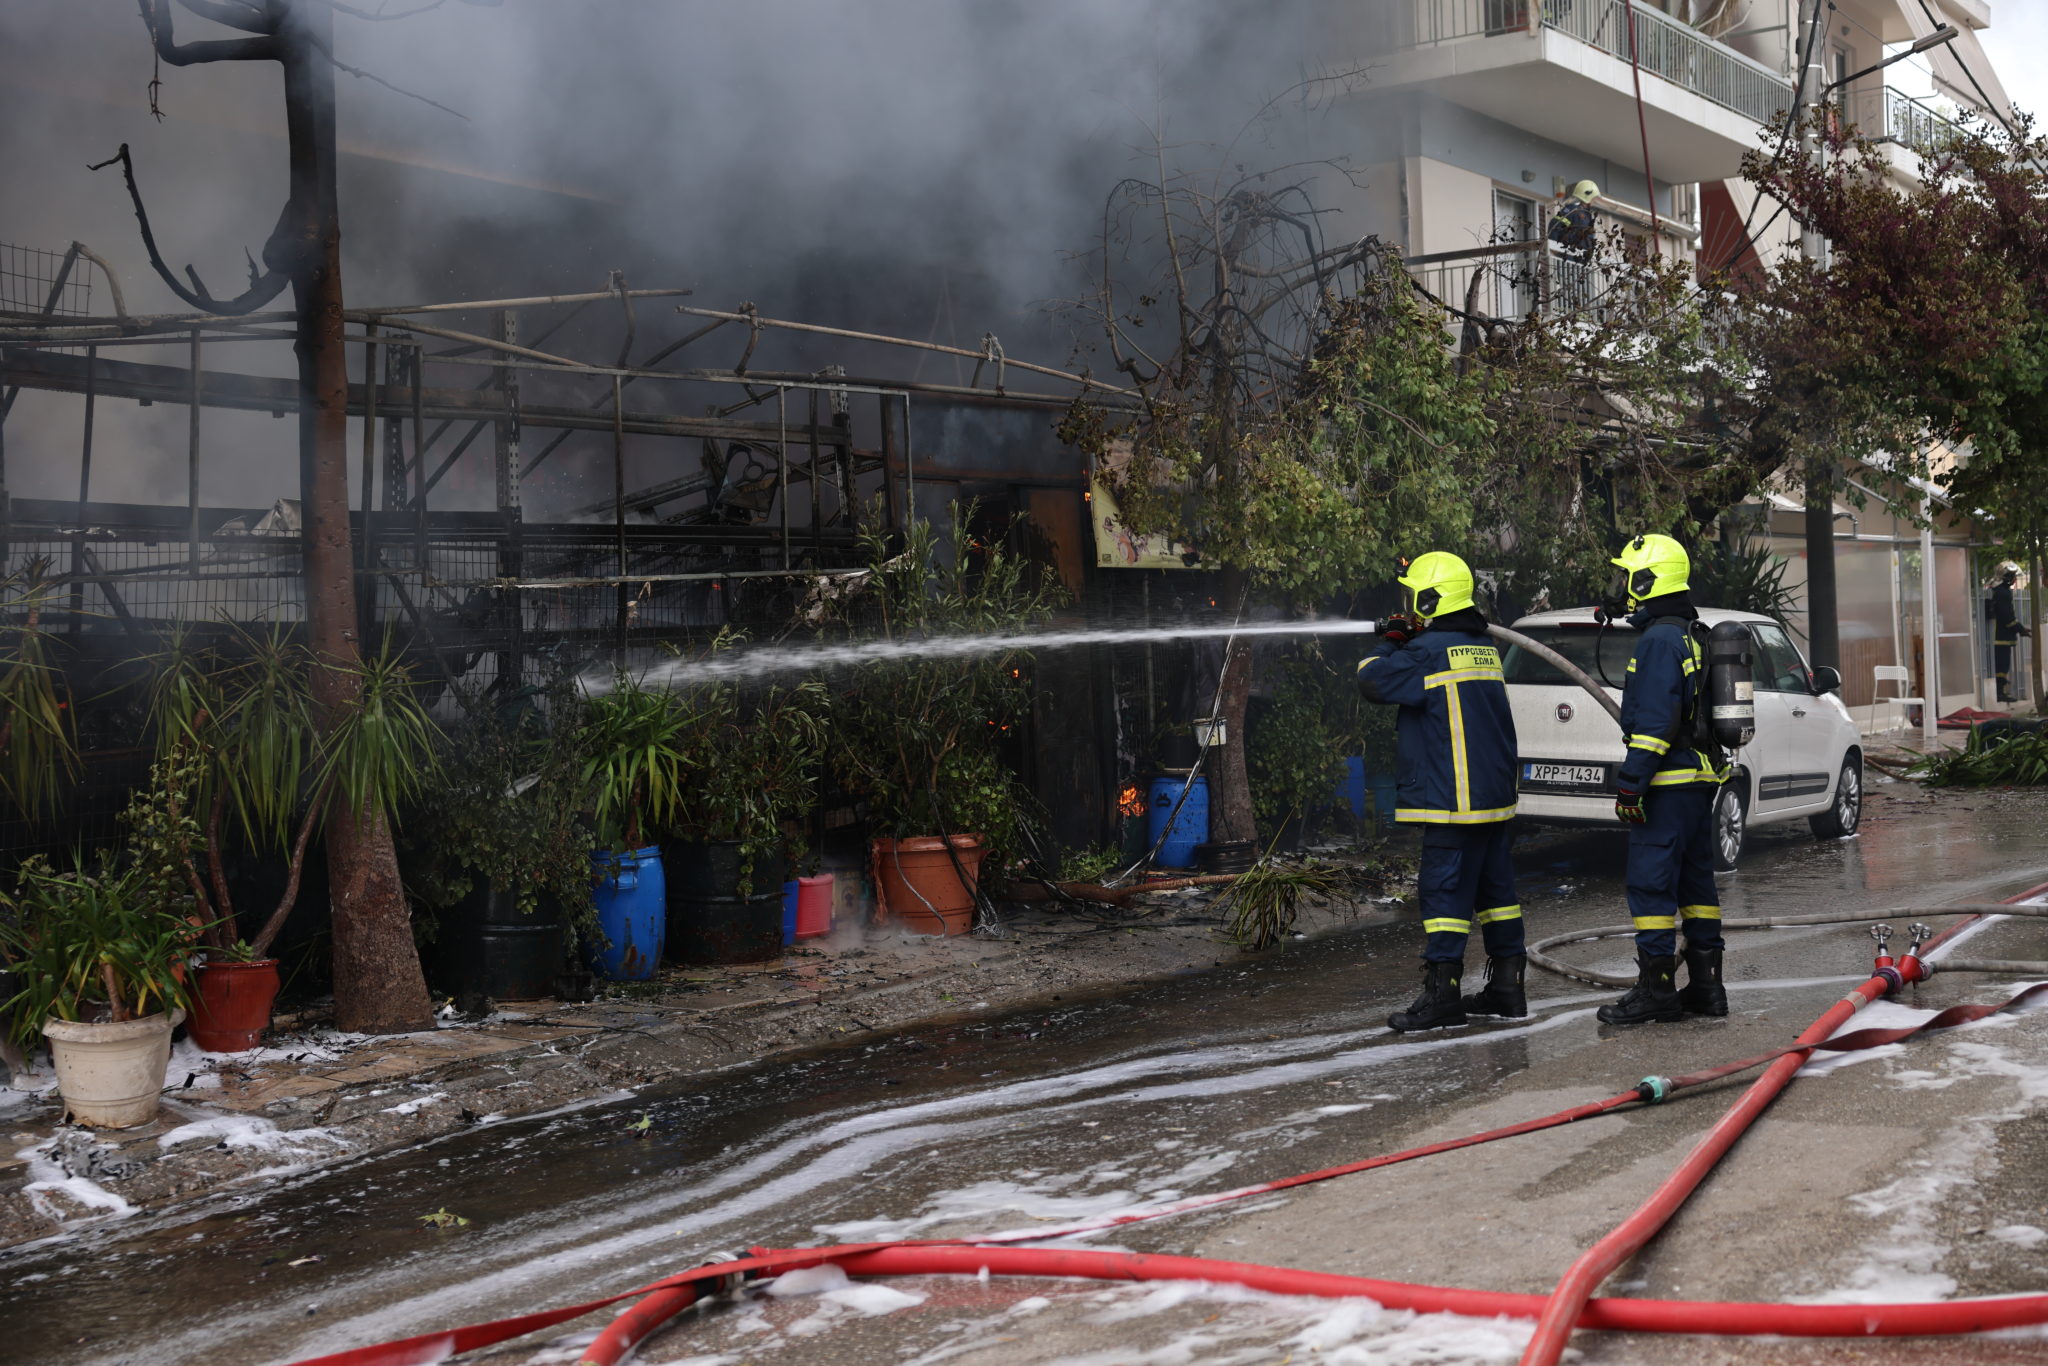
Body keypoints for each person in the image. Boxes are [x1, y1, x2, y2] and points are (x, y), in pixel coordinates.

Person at [1358, 551, 1524, 1032]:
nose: (1408, 607)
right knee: (1497, 896)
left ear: (1432, 598)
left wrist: (1391, 641)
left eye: (1413, 597)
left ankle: (1442, 997)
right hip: (1493, 798)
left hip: (1455, 800)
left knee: (1444, 896)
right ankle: (1508, 989)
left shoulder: (1426, 653)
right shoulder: (1482, 647)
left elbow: (1371, 681)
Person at [1599, 534, 1728, 1026]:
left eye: (1628, 577)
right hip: (1697, 782)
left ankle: (1656, 991)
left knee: (1652, 888)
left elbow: (1654, 724)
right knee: (1697, 886)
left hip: (1668, 785)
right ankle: (1707, 989)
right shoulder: (1690, 632)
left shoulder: (1657, 641)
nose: (1622, 587)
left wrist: (1631, 784)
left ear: (1648, 581)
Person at [1989, 566, 2029, 704]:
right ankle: (2000, 693)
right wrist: (2020, 629)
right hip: (2001, 637)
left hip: (1997, 635)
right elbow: (2007, 617)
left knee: (2001, 665)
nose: (2014, 579)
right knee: (2002, 665)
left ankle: (2001, 691)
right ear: (2007, 578)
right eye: (2013, 576)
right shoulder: (2004, 593)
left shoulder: (1996, 590)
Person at [1548, 179, 1599, 262]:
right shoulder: (1574, 212)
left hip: (1579, 263)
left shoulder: (1586, 215)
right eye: (1593, 197)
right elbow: (1555, 231)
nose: (1594, 200)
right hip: (1570, 263)